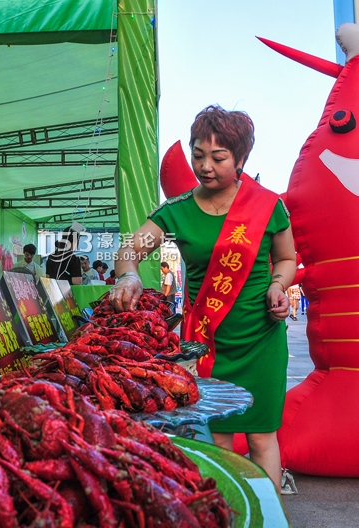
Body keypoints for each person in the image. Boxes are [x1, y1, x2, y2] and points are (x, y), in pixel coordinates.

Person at [109, 105, 296, 490]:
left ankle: (269, 511)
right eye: (198, 155)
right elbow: (129, 249)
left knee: (262, 437)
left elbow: (286, 259)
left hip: (261, 339)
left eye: (218, 157)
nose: (205, 166)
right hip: (207, 341)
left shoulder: (268, 206)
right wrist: (128, 275)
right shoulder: (176, 212)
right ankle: (223, 509)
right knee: (216, 436)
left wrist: (278, 285)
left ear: (240, 159)